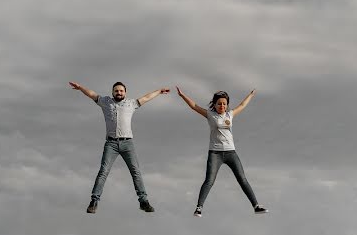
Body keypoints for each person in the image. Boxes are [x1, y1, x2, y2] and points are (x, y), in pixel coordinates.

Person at [69, 81, 169, 214]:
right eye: (116, 91)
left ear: (125, 93)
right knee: (103, 171)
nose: (119, 93)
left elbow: (146, 98)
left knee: (136, 172)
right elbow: (92, 94)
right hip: (111, 144)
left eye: (121, 91)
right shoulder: (105, 102)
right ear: (112, 92)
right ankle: (94, 201)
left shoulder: (131, 104)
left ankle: (143, 201)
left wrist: (159, 91)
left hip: (128, 144)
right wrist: (81, 88)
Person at [176, 86, 268, 217]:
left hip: (231, 153)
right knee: (209, 181)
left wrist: (251, 95)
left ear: (227, 105)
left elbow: (242, 105)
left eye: (224, 104)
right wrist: (182, 95)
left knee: (242, 179)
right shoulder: (210, 115)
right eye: (219, 103)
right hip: (215, 153)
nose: (222, 106)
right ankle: (199, 208)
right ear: (215, 104)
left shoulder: (230, 114)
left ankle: (256, 206)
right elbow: (194, 106)